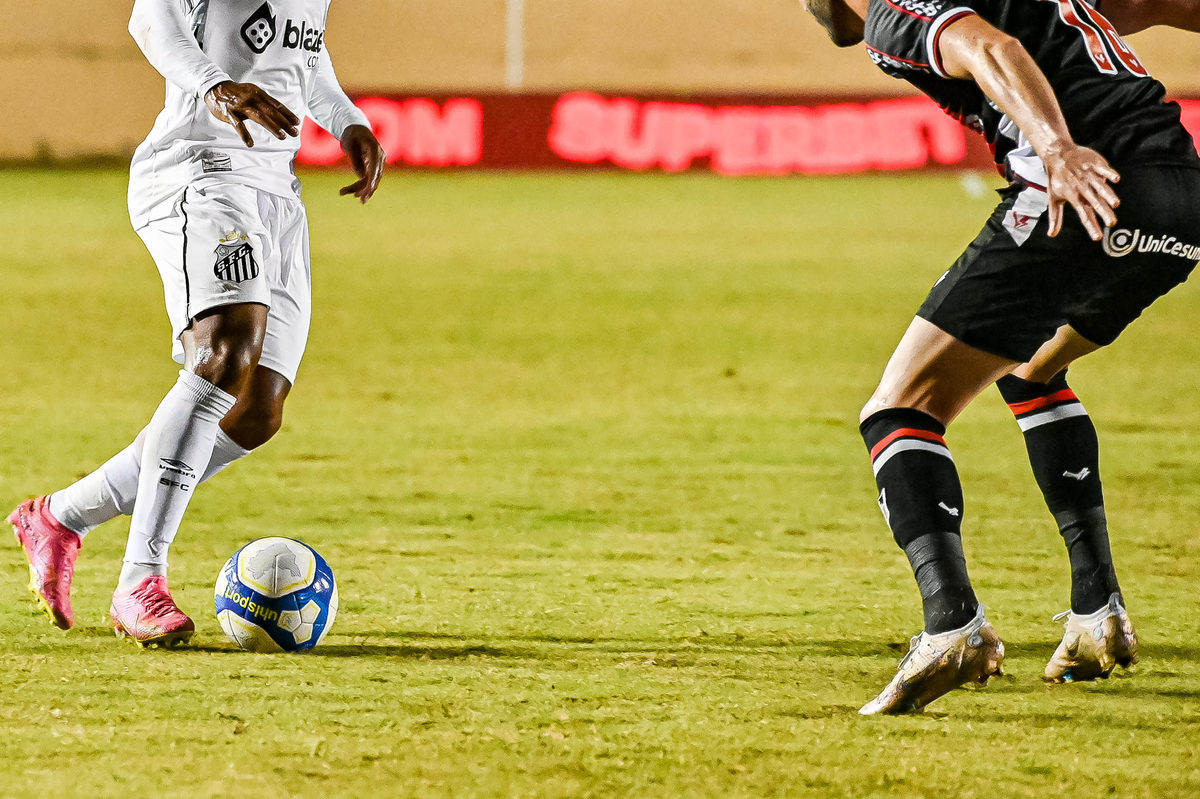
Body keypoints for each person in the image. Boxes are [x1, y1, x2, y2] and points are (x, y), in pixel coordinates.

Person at [801, 0, 1200, 713]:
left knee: (900, 407)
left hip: (1087, 184)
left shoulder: (897, 9)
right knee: (1031, 368)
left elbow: (990, 49)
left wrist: (1054, 146)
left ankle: (951, 624)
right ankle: (1096, 609)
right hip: (1180, 196)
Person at [9, 0, 384, 647]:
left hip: (275, 190)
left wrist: (347, 122)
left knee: (257, 409)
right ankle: (139, 580)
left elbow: (303, 53)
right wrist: (215, 85)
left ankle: (59, 517)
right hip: (197, 170)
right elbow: (150, 21)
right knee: (224, 352)